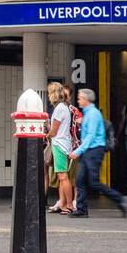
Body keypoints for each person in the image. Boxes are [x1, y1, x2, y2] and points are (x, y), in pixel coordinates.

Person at [71, 89, 127, 218]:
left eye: (80, 98)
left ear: (86, 100)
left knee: (93, 182)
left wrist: (78, 151)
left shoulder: (92, 114)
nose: (78, 100)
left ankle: (120, 199)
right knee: (80, 180)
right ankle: (81, 209)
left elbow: (91, 136)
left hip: (94, 151)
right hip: (88, 151)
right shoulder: (88, 113)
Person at [47, 82, 77, 214]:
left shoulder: (59, 108)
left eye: (49, 93)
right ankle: (65, 204)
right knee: (63, 176)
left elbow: (54, 131)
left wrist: (47, 135)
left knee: (63, 176)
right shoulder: (64, 107)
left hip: (59, 145)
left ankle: (69, 205)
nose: (48, 95)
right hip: (65, 143)